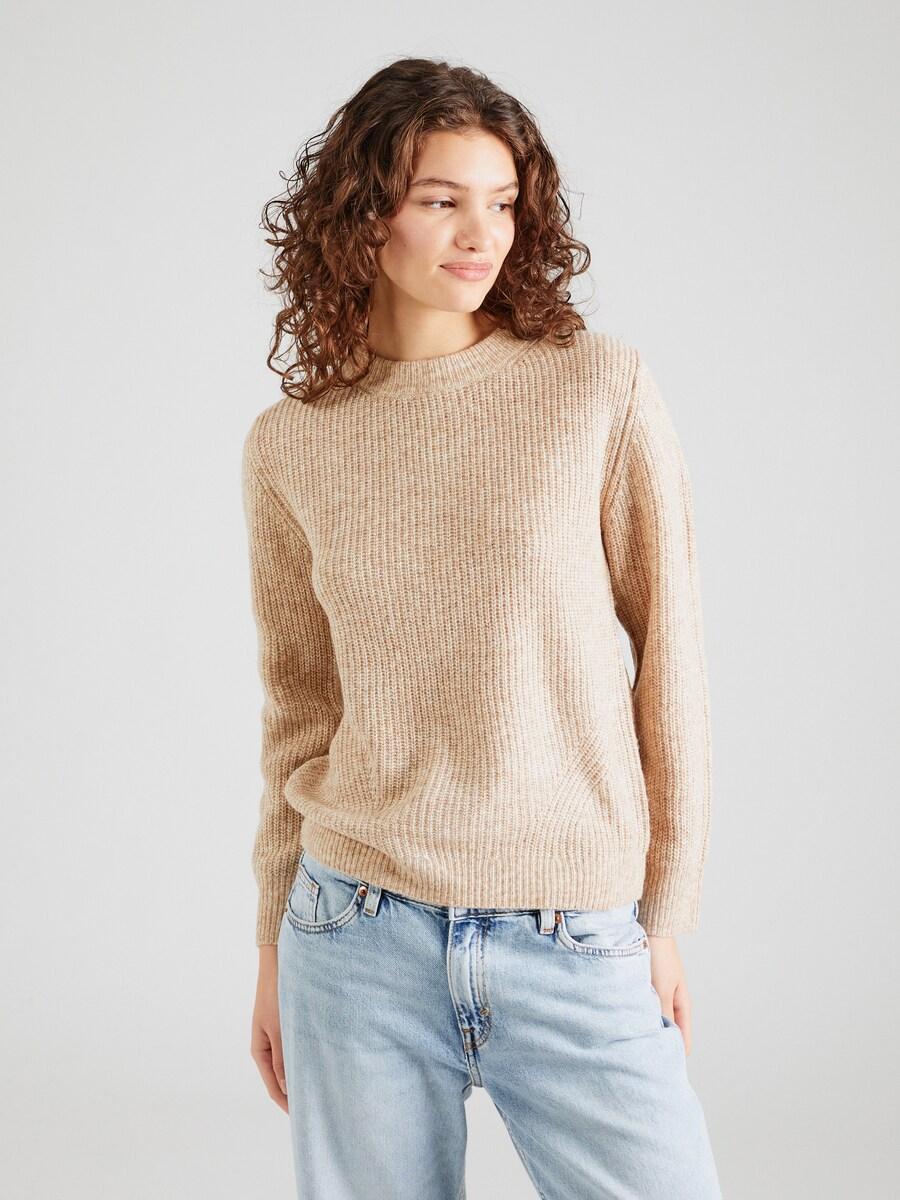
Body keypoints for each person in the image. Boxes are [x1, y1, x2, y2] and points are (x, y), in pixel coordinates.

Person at [243, 56, 722, 1200]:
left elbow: (671, 663)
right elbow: (301, 707)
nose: (482, 234)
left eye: (503, 202)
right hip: (354, 930)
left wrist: (661, 916)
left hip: (571, 929)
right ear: (364, 216)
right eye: (442, 199)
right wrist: (270, 944)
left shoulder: (596, 391)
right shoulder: (291, 444)